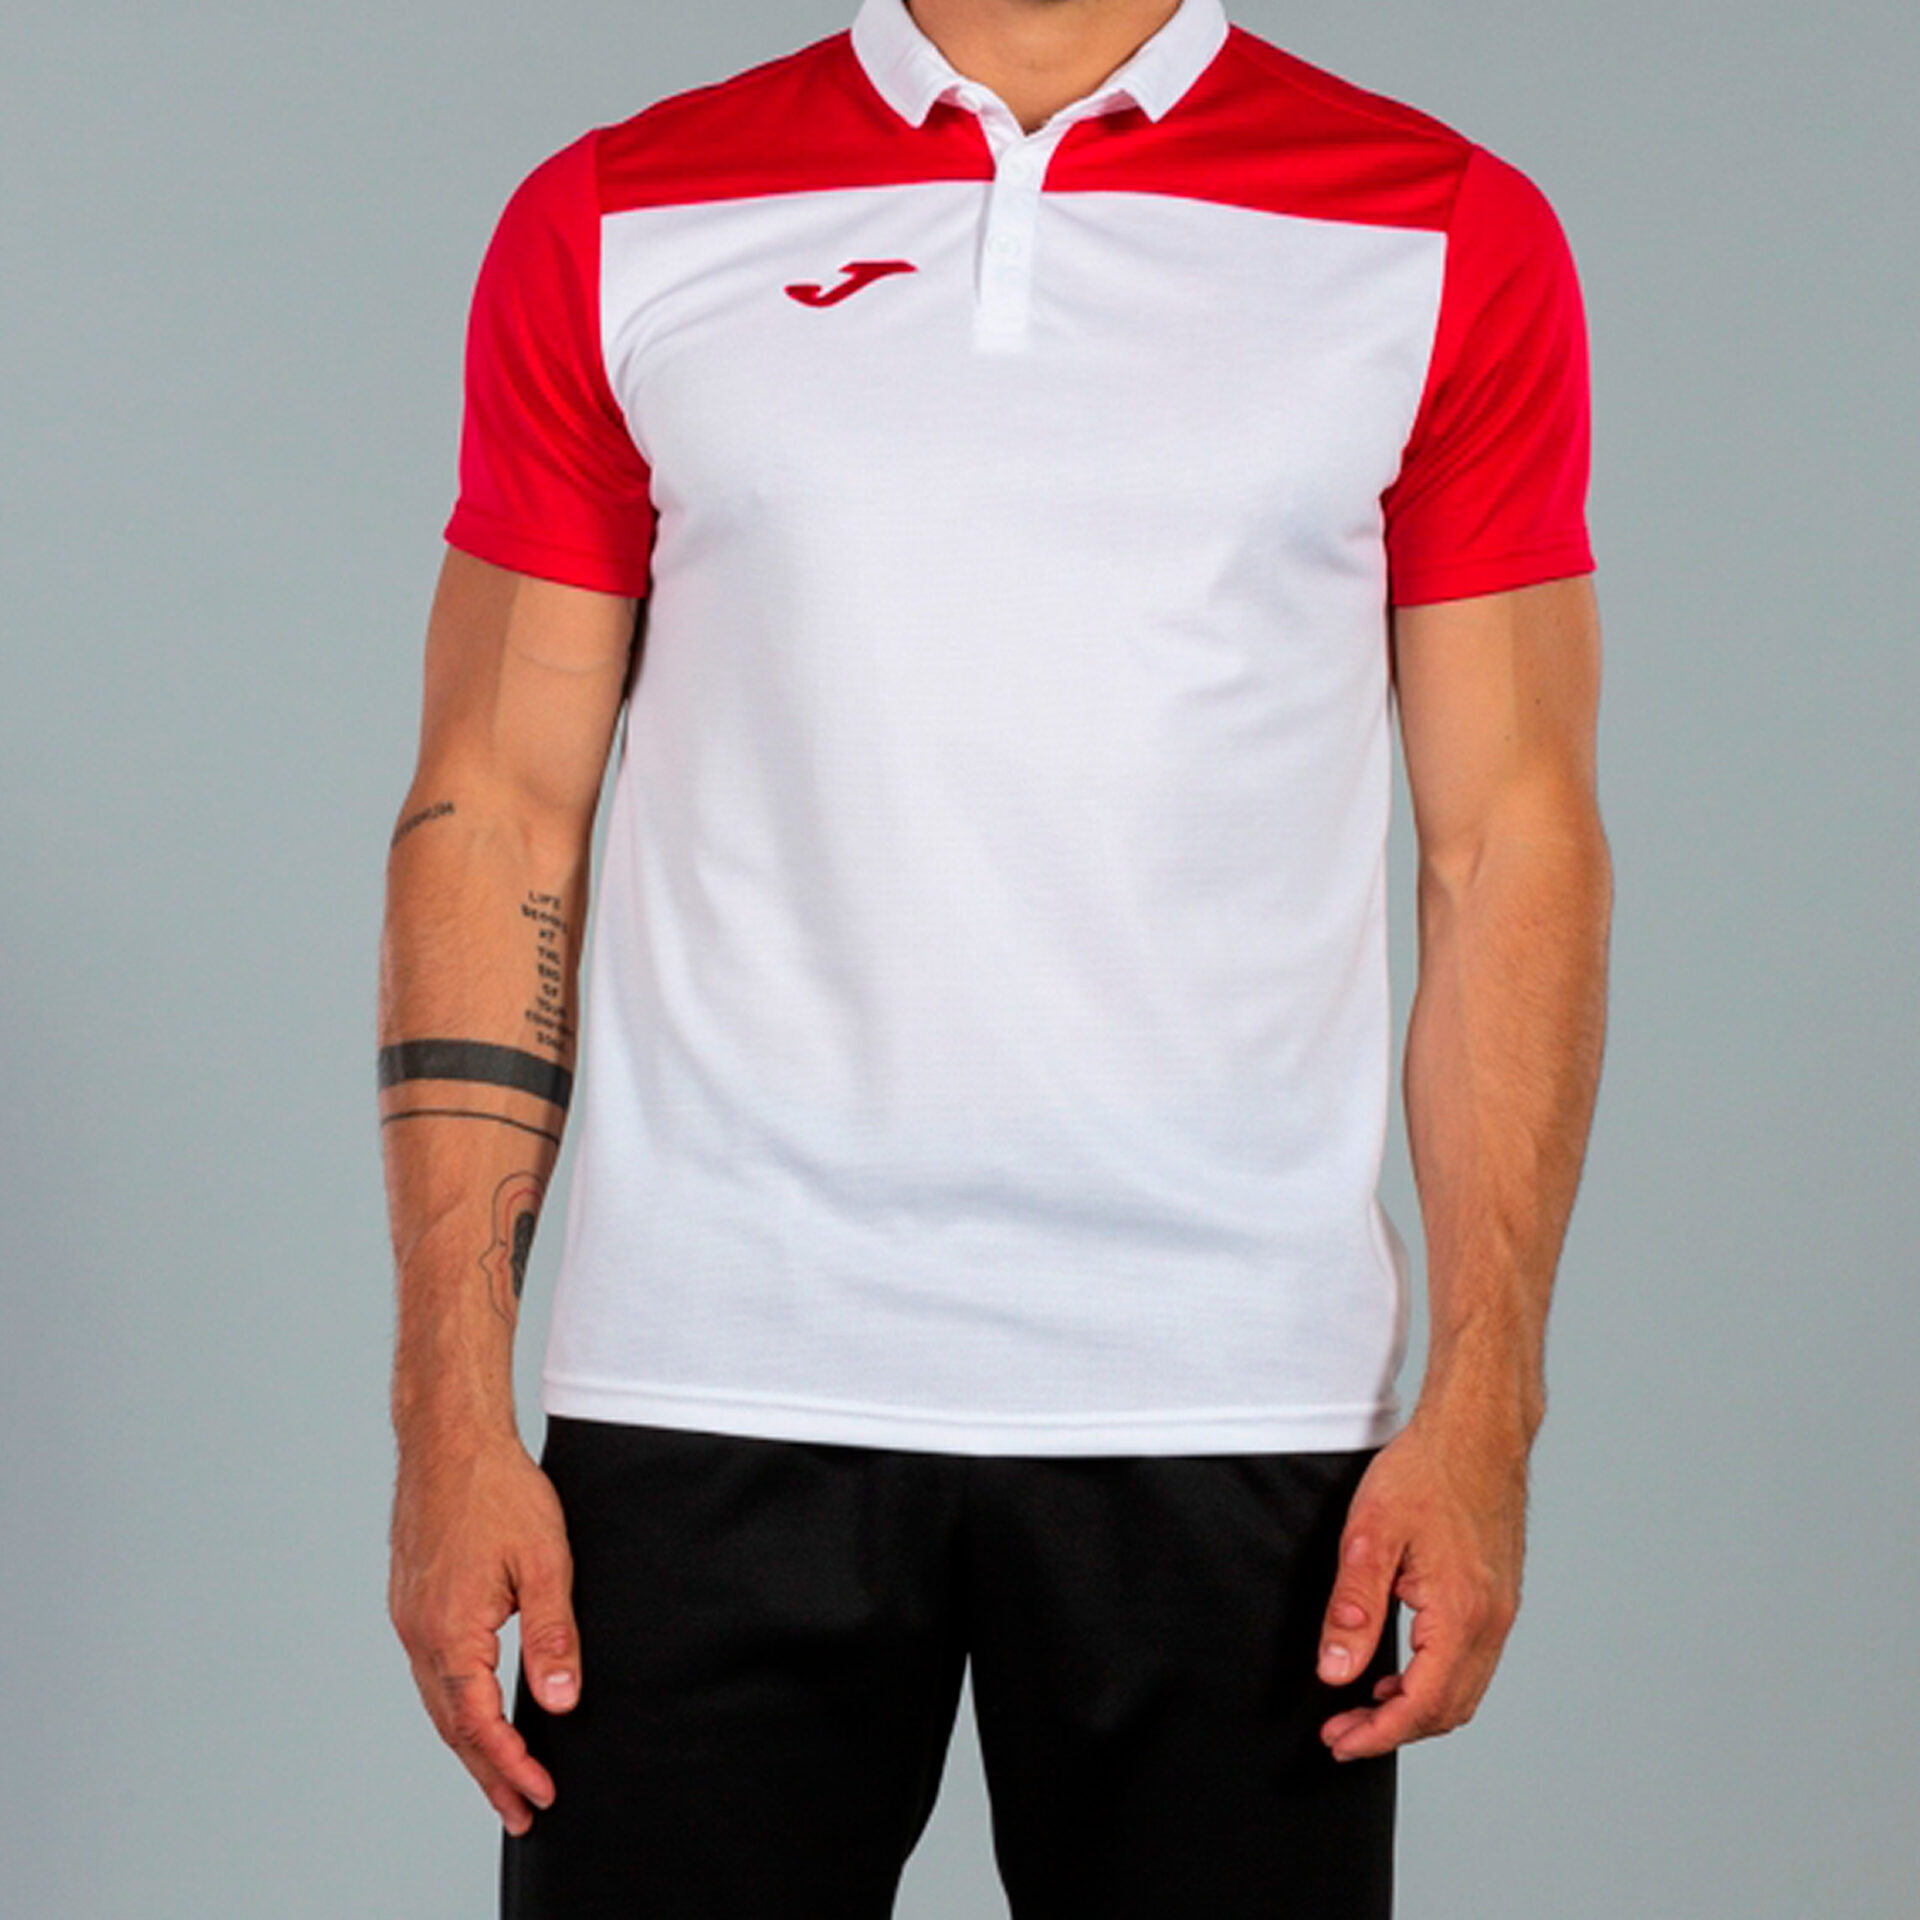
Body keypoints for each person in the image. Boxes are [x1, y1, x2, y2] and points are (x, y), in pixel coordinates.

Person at [378, 0, 1611, 1911]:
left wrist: (1489, 1404)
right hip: (714, 1380)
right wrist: (448, 1415)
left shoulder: (1441, 229)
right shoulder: (621, 217)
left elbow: (1509, 845)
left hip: (1237, 1401)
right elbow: (495, 814)